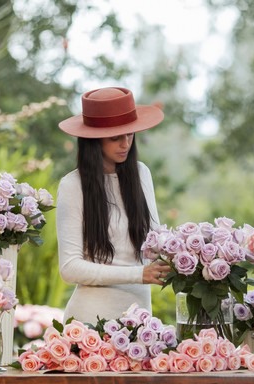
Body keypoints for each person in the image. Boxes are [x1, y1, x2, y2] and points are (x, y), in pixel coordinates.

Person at [56, 86, 171, 323]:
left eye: (129, 134)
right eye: (115, 137)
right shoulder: (72, 185)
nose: (125, 144)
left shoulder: (141, 174)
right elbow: (69, 268)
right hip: (90, 323)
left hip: (140, 321)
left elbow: (155, 242)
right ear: (93, 140)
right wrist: (139, 274)